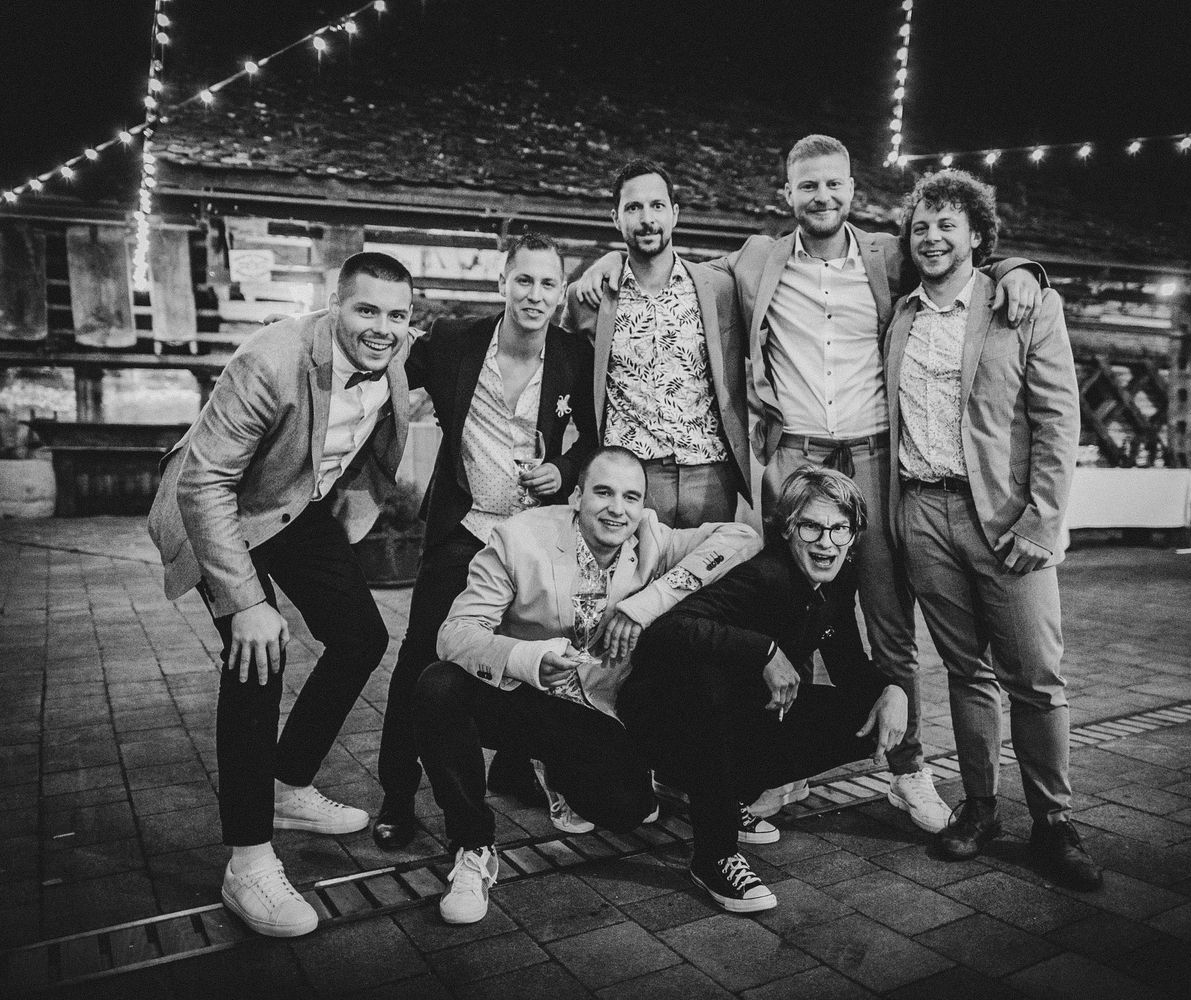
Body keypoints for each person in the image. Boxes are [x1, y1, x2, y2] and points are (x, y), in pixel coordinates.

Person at [579, 134, 1044, 832]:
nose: (821, 197)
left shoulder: (891, 253)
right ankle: (767, 767)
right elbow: (668, 264)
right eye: (807, 187)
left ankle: (908, 770)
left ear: (853, 190)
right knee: (782, 608)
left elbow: (960, 253)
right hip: (793, 457)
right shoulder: (758, 258)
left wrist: (1020, 267)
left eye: (833, 185)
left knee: (888, 620)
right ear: (786, 194)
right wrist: (609, 257)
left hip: (873, 454)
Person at [146, 252, 414, 938]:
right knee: (257, 659)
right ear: (334, 304)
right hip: (221, 508)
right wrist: (247, 603)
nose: (382, 328)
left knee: (362, 637)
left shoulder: (394, 352)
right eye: (366, 310)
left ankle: (288, 782)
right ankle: (247, 861)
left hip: (296, 505)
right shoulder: (271, 358)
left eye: (397, 314)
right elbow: (203, 483)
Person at [415, 447, 761, 923]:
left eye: (630, 497)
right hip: (530, 699)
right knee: (438, 687)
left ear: (642, 507)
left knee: (628, 810)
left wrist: (647, 604)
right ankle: (473, 848)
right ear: (577, 496)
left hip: (596, 711)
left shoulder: (651, 540)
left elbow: (742, 537)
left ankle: (546, 769)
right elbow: (454, 634)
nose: (617, 509)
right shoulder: (519, 539)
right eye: (603, 492)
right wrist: (527, 659)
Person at [885, 168, 1100, 889]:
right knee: (964, 672)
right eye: (921, 225)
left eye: (948, 224)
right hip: (922, 509)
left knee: (1037, 679)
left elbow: (1056, 416)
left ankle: (1054, 824)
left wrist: (1044, 519)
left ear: (978, 235)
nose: (932, 236)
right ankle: (980, 808)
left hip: (1007, 518)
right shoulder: (901, 311)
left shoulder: (1021, 304)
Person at [372, 232, 597, 851]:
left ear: (559, 292)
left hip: (533, 537)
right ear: (504, 283)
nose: (535, 293)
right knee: (422, 658)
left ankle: (514, 762)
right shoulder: (455, 343)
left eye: (548, 283)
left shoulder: (574, 356)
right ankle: (397, 792)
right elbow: (388, 370)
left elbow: (594, 437)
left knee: (530, 656)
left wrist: (567, 472)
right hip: (465, 531)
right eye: (524, 280)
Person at [619, 466, 908, 913]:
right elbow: (668, 631)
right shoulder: (765, 575)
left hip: (735, 716)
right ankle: (714, 855)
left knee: (865, 717)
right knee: (712, 691)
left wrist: (892, 692)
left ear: (853, 535)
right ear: (788, 529)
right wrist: (766, 651)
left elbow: (847, 662)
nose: (825, 542)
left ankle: (727, 794)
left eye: (839, 529)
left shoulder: (835, 581)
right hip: (663, 717)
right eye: (811, 526)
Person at [563, 159, 752, 527]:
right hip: (630, 477)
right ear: (615, 218)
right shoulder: (589, 297)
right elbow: (558, 370)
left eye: (657, 206)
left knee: (706, 583)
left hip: (710, 474)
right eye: (633, 207)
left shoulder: (717, 287)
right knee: (633, 583)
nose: (647, 218)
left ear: (675, 214)